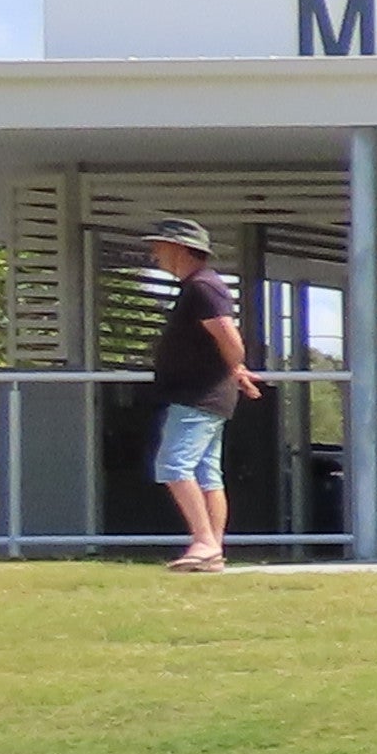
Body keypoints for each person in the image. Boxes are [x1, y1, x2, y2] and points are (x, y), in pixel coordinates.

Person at [138, 217, 257, 575]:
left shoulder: (203, 288)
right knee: (206, 473)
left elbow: (229, 339)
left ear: (179, 249)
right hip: (203, 396)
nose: (155, 254)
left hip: (197, 397)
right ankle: (212, 551)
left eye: (160, 247)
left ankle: (204, 542)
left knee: (173, 465)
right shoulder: (200, 287)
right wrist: (236, 370)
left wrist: (235, 365)